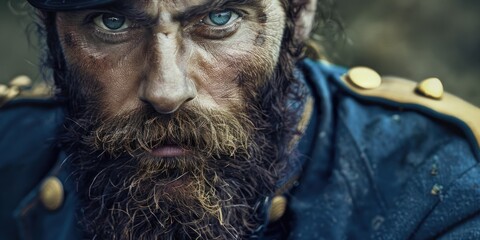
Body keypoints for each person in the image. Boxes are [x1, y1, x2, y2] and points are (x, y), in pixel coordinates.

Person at [1, 0, 479, 239]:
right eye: (112, 23)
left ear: (299, 16)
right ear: (55, 35)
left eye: (221, 18)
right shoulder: (10, 152)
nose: (166, 91)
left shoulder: (441, 190)